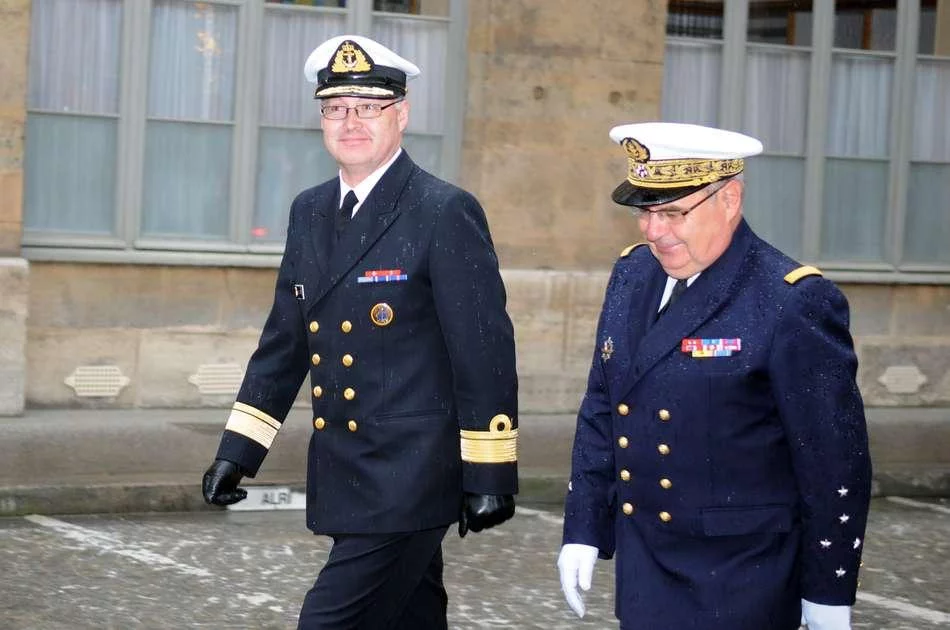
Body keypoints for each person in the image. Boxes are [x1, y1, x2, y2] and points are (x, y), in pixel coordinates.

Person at [201, 35, 519, 630]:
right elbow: (284, 344)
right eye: (336, 107)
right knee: (411, 617)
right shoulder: (310, 210)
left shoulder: (442, 210)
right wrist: (238, 452)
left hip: (412, 476)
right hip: (345, 468)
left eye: (368, 106)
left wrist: (491, 472)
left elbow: (483, 351)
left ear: (401, 115)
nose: (350, 121)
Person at [556, 122, 872, 630]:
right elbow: (603, 406)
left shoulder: (791, 299)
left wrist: (828, 592)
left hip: (743, 579)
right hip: (647, 569)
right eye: (645, 211)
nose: (653, 231)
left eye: (674, 212)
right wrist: (584, 529)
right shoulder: (633, 274)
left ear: (730, 199)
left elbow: (833, 463)